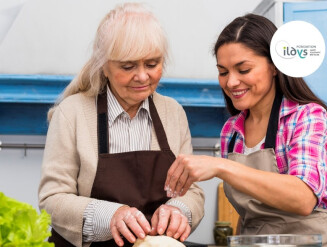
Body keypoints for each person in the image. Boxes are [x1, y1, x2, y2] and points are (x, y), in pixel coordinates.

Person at [165, 14, 327, 247]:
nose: (231, 82)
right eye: (223, 72)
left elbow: (303, 198)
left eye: (243, 70)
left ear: (274, 67)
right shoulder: (231, 132)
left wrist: (222, 166)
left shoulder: (307, 116)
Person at [38, 3, 204, 247]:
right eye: (128, 66)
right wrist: (111, 217)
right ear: (104, 65)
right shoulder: (71, 113)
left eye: (152, 64)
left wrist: (179, 210)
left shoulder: (173, 113)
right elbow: (52, 199)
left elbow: (192, 191)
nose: (142, 76)